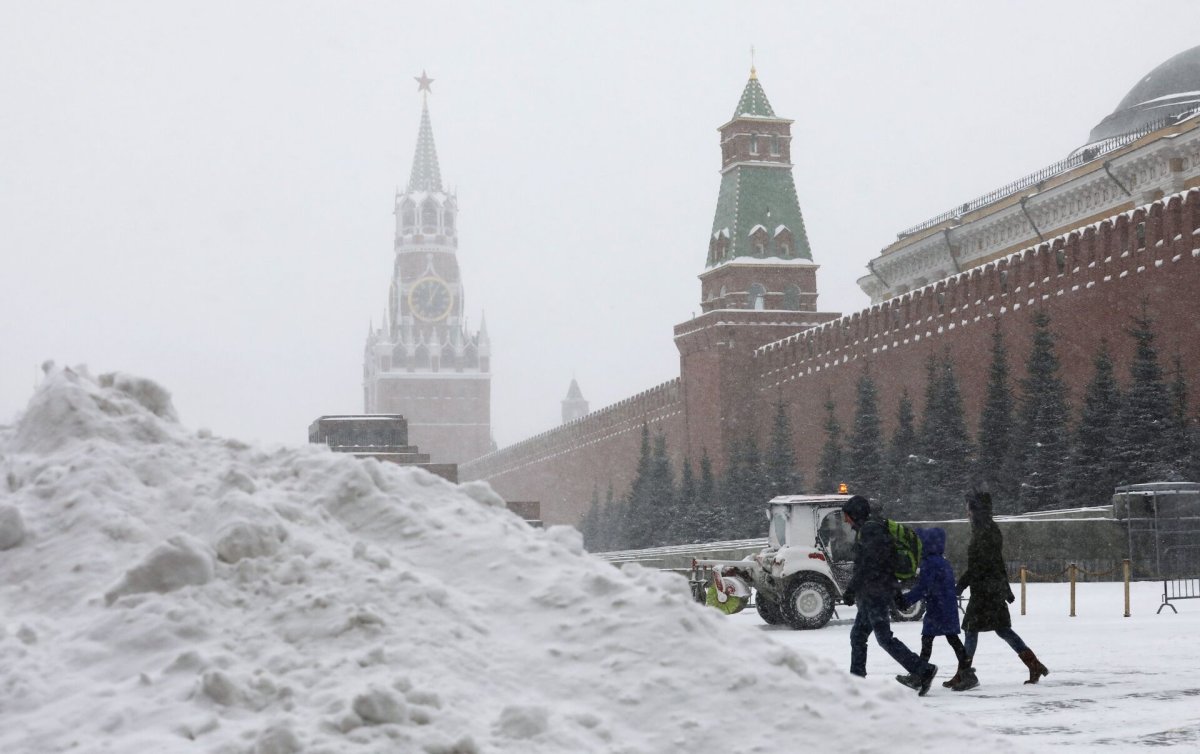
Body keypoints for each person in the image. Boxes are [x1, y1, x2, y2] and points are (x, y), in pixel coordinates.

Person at [841, 495, 938, 695]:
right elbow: (883, 564)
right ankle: (857, 680)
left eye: (847, 516)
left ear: (855, 514)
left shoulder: (870, 531)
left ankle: (923, 670)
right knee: (858, 635)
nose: (845, 520)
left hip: (875, 593)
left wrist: (852, 589)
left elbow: (872, 565)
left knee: (883, 638)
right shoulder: (869, 530)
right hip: (873, 592)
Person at [953, 489, 1049, 691]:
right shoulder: (986, 529)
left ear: (975, 509)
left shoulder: (985, 532)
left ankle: (964, 674)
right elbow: (994, 563)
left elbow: (981, 565)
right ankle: (1034, 665)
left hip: (986, 591)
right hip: (990, 589)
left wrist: (961, 585)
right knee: (1002, 630)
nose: (966, 511)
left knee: (972, 629)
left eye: (969, 507)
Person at [893, 528, 969, 689]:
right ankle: (966, 673)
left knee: (929, 640)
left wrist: (906, 601)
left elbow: (923, 587)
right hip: (945, 606)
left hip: (938, 608)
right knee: (950, 640)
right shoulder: (942, 561)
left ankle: (920, 675)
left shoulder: (930, 563)